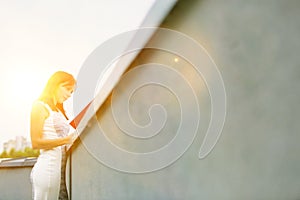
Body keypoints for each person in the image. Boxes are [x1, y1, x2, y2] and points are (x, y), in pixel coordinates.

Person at [30, 71, 76, 200]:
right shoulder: (39, 106)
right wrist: (66, 140)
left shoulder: (59, 111)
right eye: (67, 89)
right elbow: (36, 142)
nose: (69, 95)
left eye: (71, 92)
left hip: (59, 170)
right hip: (48, 169)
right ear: (56, 84)